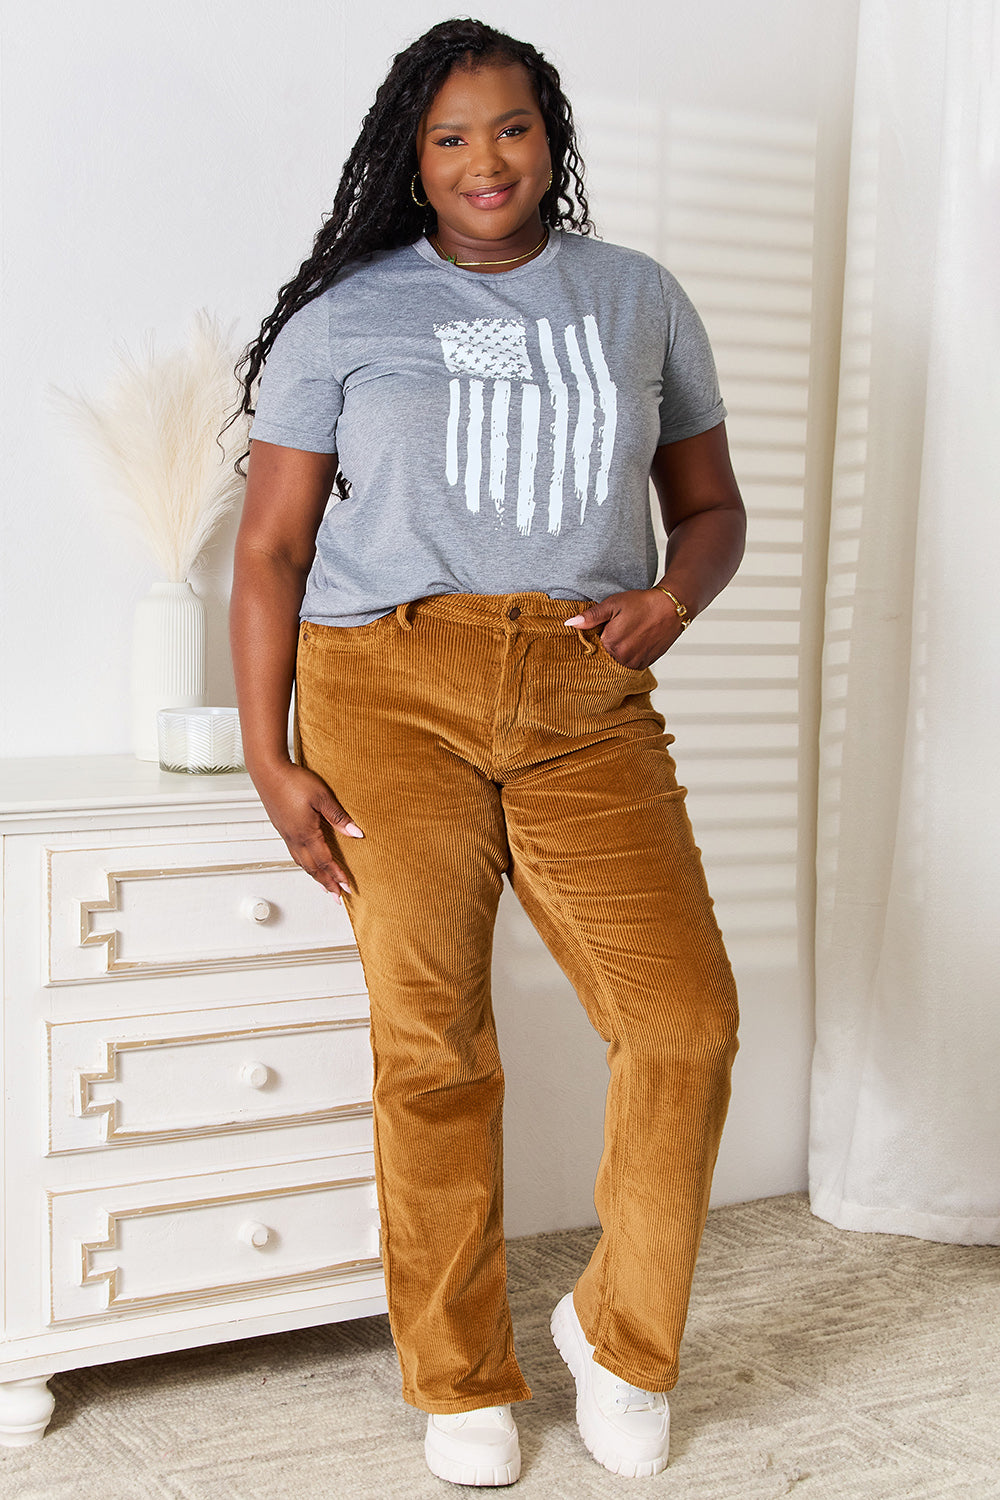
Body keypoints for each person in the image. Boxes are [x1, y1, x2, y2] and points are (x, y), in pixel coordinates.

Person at [229, 17, 744, 1488]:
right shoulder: (350, 319)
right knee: (434, 1041)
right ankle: (461, 1377)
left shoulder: (635, 298)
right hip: (385, 684)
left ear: (550, 136)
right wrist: (273, 760)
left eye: (509, 128)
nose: (482, 162)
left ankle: (622, 1340)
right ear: (412, 155)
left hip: (585, 689)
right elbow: (268, 550)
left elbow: (711, 507)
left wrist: (672, 598)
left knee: (682, 1023)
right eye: (448, 137)